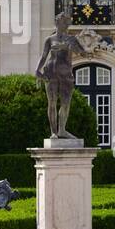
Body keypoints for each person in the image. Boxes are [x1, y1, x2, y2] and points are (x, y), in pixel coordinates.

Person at [35, 9, 79, 139]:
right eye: (64, 22)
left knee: (66, 103)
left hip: (66, 73)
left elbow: (83, 52)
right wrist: (37, 69)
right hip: (51, 72)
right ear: (57, 23)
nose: (66, 25)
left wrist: (68, 47)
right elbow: (43, 56)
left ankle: (62, 130)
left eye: (67, 23)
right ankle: (54, 132)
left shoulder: (71, 39)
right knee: (52, 102)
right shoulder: (49, 39)